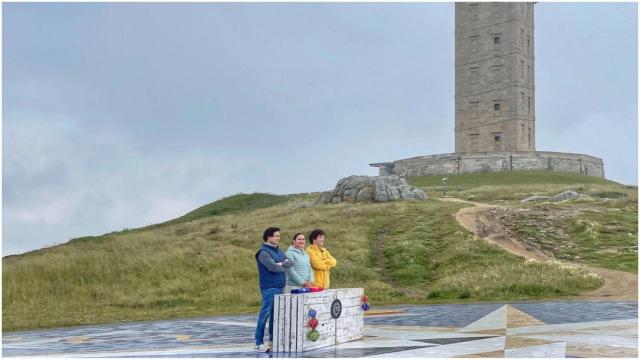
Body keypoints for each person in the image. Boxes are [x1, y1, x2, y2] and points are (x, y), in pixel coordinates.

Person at [254, 227, 293, 352]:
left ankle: (272, 340)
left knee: (275, 315)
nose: (278, 238)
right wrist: (282, 264)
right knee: (265, 314)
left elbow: (291, 263)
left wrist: (280, 263)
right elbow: (273, 268)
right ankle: (258, 342)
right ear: (268, 237)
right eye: (276, 236)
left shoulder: (279, 250)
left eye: (278, 236)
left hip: (280, 286)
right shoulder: (263, 252)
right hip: (269, 287)